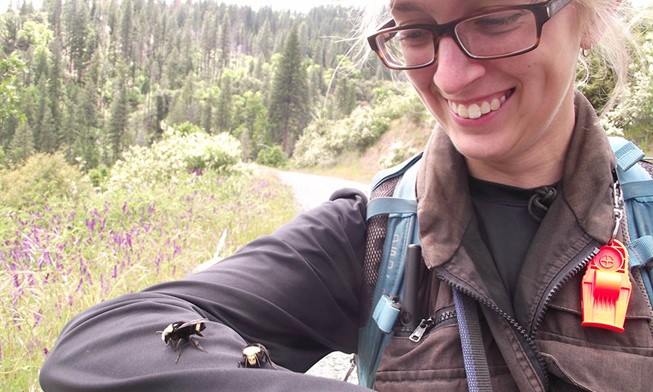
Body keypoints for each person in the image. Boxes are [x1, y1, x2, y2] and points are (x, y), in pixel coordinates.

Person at [40, 0, 653, 391]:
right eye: (416, 32)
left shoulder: (642, 220)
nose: (449, 76)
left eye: (494, 19)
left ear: (592, 17)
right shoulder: (370, 238)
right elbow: (99, 346)